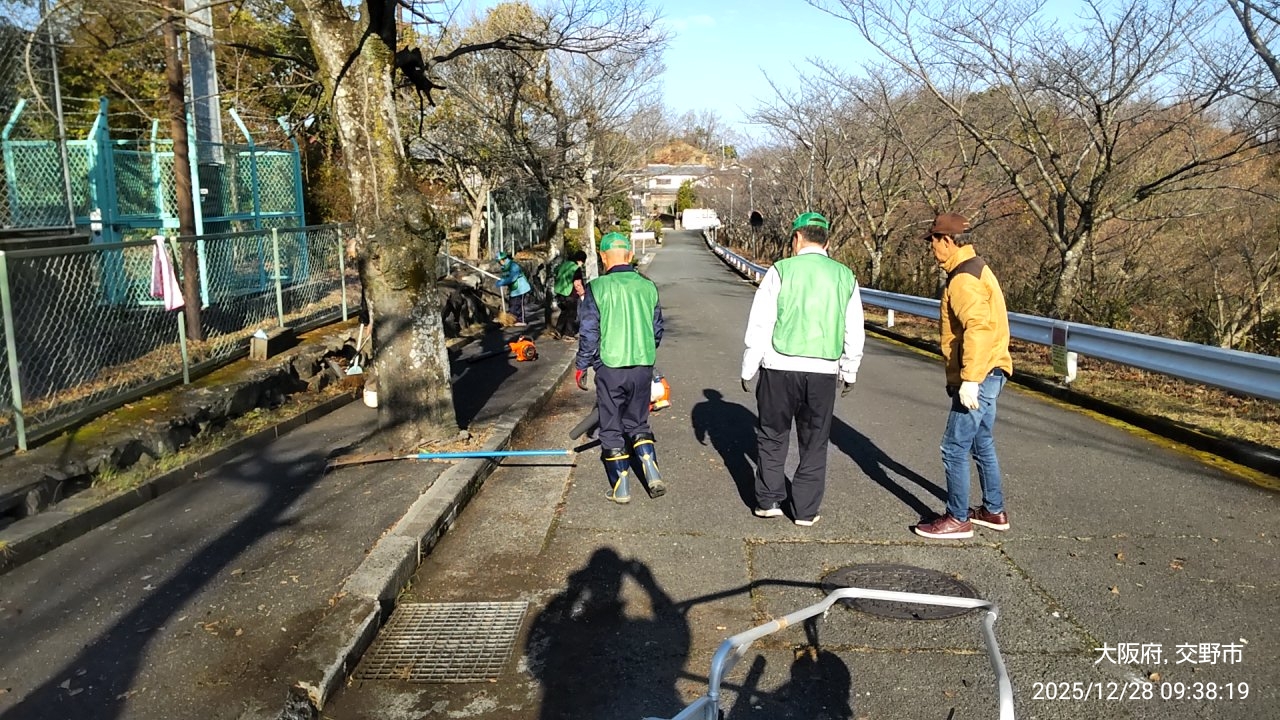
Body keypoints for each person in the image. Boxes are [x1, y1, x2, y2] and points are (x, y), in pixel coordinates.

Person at [741, 212, 865, 527]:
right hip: (823, 370)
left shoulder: (780, 270)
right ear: (827, 242)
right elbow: (854, 328)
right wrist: (849, 369)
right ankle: (805, 511)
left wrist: (749, 365)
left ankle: (769, 501)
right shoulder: (845, 276)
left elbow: (762, 321)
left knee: (772, 435)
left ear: (797, 238)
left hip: (779, 367)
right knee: (814, 442)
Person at [913, 212, 1014, 540]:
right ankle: (993, 510)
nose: (931, 248)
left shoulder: (963, 279)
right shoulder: (977, 267)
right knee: (981, 440)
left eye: (933, 241)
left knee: (953, 446)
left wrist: (969, 379)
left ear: (947, 240)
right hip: (992, 369)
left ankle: (957, 518)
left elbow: (978, 328)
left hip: (979, 374)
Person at [575, 232, 666, 503]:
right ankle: (650, 468)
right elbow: (657, 329)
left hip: (611, 366)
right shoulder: (648, 286)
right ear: (630, 255)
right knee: (638, 421)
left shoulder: (597, 288)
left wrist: (583, 365)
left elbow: (589, 332)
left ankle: (621, 487)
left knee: (611, 425)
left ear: (603, 257)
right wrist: (646, 350)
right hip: (642, 364)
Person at [552, 250, 587, 340]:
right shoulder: (575, 268)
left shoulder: (564, 264)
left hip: (559, 292)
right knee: (572, 313)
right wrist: (583, 294)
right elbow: (577, 283)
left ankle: (558, 330)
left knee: (564, 312)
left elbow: (556, 272)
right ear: (580, 260)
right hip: (570, 293)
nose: (582, 264)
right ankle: (569, 334)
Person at [495, 250, 532, 326]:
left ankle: (522, 320)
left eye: (499, 261)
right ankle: (513, 320)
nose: (499, 263)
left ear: (503, 259)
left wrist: (503, 282)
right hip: (514, 290)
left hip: (521, 288)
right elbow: (505, 276)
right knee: (513, 305)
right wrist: (502, 280)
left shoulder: (513, 266)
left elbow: (512, 278)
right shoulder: (504, 268)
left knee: (519, 305)